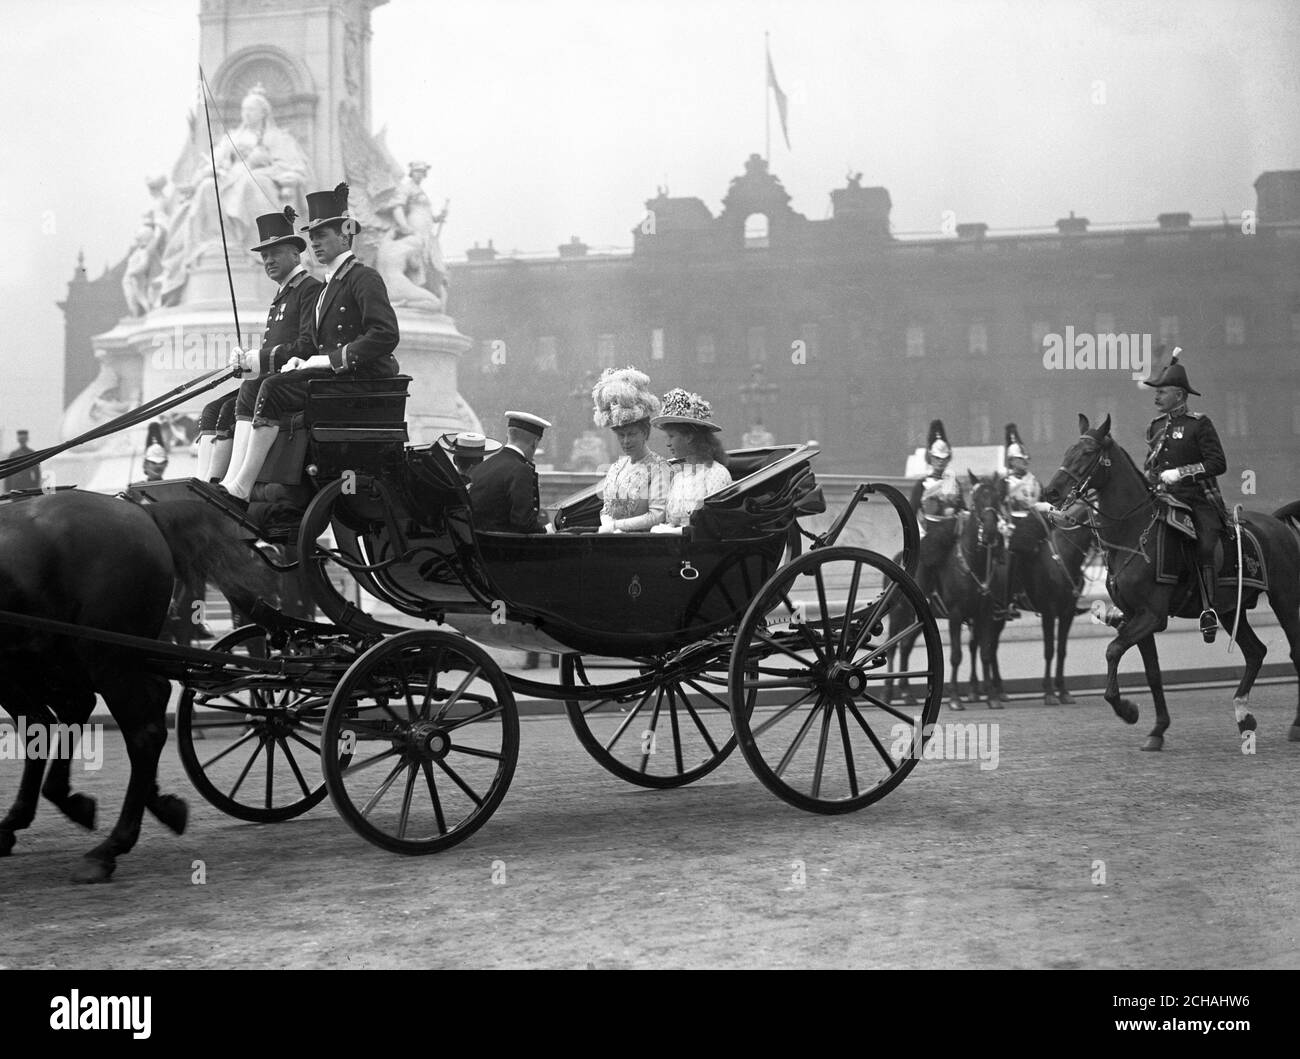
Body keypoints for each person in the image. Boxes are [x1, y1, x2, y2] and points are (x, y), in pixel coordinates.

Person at [217, 183, 400, 506]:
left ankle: (243, 484)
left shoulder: (363, 278)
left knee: (271, 388)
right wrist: (302, 362)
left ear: (345, 236)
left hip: (359, 382)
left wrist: (328, 361)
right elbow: (314, 344)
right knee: (262, 386)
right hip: (335, 380)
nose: (314, 242)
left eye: (322, 235)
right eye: (312, 237)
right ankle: (234, 480)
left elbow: (385, 335)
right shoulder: (328, 286)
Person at [196, 207, 323, 484]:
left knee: (250, 391)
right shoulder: (282, 294)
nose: (268, 261)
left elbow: (305, 346)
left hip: (297, 381)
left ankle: (235, 482)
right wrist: (247, 362)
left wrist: (257, 359)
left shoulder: (309, 288)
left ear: (294, 253)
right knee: (213, 410)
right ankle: (206, 482)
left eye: (274, 253)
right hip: (274, 379)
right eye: (264, 256)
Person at [1141, 349, 1227, 642]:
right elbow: (1151, 466)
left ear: (1179, 395)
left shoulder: (1198, 423)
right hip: (1164, 500)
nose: (1156, 397)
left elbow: (1218, 463)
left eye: (1162, 392)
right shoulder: (1154, 427)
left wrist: (1181, 473)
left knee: (1203, 545)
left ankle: (1209, 608)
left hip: (1197, 500)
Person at [591, 367, 672, 532]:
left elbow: (657, 515)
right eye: (621, 435)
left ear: (644, 432)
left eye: (631, 434)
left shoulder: (659, 468)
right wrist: (608, 524)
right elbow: (606, 509)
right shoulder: (616, 468)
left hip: (642, 546)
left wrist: (616, 526)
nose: (626, 441)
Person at [650, 388, 731, 531]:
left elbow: (712, 526)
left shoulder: (716, 473)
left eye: (671, 436)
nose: (667, 443)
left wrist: (673, 531)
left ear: (689, 437)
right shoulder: (679, 476)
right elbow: (671, 520)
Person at [910, 419, 966, 616]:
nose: (940, 462)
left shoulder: (954, 483)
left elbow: (963, 509)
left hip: (951, 533)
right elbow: (911, 512)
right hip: (929, 532)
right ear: (930, 458)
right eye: (937, 458)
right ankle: (924, 598)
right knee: (928, 557)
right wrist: (921, 534)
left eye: (944, 458)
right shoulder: (922, 485)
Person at [469, 411, 552, 533]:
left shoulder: (483, 466)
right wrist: (547, 530)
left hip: (482, 544)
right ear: (535, 443)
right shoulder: (521, 469)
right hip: (505, 548)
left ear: (508, 437)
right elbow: (523, 523)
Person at [1000, 422, 1042, 619]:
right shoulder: (1004, 483)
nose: (1024, 462)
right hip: (1011, 528)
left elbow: (1041, 502)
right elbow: (997, 508)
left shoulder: (1035, 481)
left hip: (1033, 526)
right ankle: (1008, 600)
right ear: (1011, 462)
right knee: (1012, 561)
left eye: (1025, 459)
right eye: (1019, 459)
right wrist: (1003, 525)